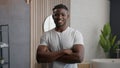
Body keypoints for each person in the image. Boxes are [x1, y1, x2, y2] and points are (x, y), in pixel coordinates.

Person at [36, 4, 84, 68]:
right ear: (53, 17)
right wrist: (63, 52)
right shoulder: (46, 35)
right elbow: (39, 57)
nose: (59, 17)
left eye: (63, 15)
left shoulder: (75, 34)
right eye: (56, 15)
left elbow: (79, 58)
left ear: (68, 16)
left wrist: (51, 55)